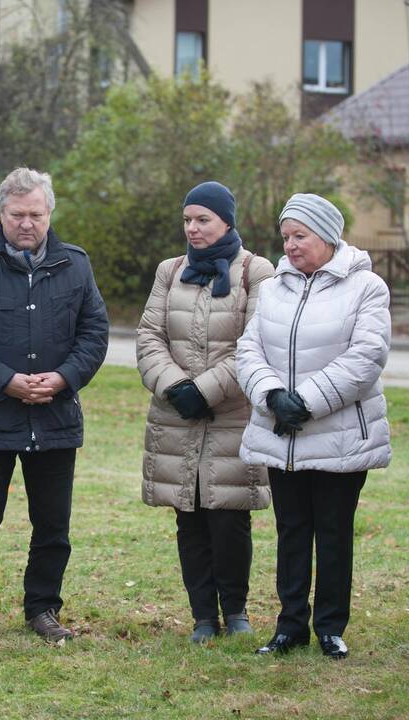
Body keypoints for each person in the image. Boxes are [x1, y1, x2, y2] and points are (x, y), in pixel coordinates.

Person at [0, 167, 109, 647]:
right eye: (17, 215)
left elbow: (94, 333)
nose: (26, 223)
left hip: (55, 418)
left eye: (36, 214)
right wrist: (5, 381)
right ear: (2, 213)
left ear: (49, 213)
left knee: (53, 525)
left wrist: (65, 377)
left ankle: (43, 609)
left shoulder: (76, 265)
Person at [236, 193, 391, 660]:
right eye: (286, 237)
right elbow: (249, 349)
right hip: (283, 434)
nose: (291, 245)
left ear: (327, 236)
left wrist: (305, 401)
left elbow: (366, 356)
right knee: (292, 532)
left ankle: (330, 627)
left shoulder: (367, 287)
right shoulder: (275, 286)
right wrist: (271, 396)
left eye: (300, 236)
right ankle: (290, 627)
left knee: (333, 532)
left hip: (339, 435)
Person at [136, 181, 275, 644]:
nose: (192, 229)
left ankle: (235, 610)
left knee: (229, 516)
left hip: (232, 416)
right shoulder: (169, 271)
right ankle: (202, 616)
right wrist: (176, 385)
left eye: (203, 220)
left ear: (227, 222)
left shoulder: (257, 271)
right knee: (188, 516)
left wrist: (207, 389)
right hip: (176, 413)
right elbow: (149, 336)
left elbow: (257, 343)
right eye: (187, 220)